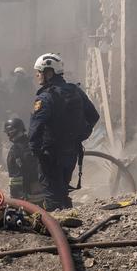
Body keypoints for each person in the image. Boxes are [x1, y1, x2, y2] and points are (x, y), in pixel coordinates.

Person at [29, 53, 99, 211]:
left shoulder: (45, 98)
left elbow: (35, 129)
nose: (37, 75)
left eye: (39, 72)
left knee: (52, 195)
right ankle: (68, 222)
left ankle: (57, 229)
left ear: (49, 73)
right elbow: (94, 116)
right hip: (71, 152)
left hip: (50, 155)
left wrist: (35, 152)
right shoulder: (75, 91)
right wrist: (81, 136)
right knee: (63, 189)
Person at [4, 118, 41, 202]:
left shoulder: (17, 149)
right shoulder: (31, 143)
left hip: (26, 193)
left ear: (16, 130)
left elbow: (17, 177)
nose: (8, 135)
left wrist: (16, 196)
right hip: (35, 190)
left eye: (9, 132)